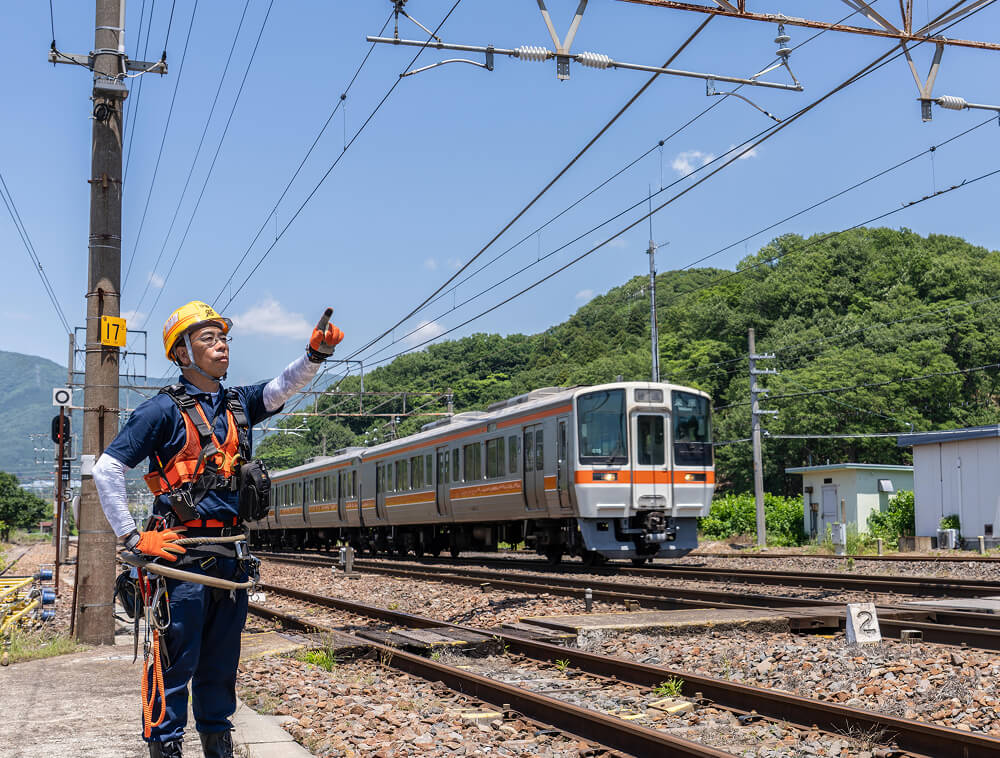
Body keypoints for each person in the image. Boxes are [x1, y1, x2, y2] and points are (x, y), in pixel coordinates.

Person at [93, 300, 343, 758]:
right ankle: (166, 747)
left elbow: (281, 388)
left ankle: (217, 748)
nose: (221, 344)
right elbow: (106, 469)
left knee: (221, 671)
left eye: (223, 336)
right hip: (181, 562)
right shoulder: (160, 412)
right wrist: (132, 537)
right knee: (174, 670)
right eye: (207, 338)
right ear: (183, 353)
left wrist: (314, 355)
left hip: (229, 559)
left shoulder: (237, 404)